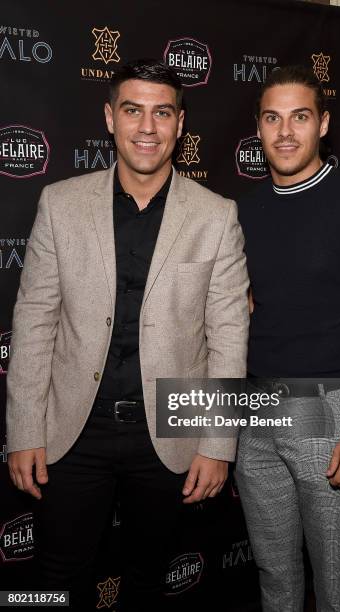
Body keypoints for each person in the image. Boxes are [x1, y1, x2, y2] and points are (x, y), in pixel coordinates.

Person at [6, 58, 249, 611]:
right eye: (133, 110)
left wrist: (218, 443)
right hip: (73, 430)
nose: (147, 127)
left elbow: (229, 336)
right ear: (109, 117)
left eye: (162, 112)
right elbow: (34, 320)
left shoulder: (216, 216)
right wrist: (23, 428)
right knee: (54, 579)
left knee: (149, 578)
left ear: (180, 125)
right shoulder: (60, 204)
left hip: (168, 433)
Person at [235, 65, 340, 611]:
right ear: (259, 129)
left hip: (329, 410)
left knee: (335, 588)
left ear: (324, 124)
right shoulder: (244, 210)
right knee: (275, 576)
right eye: (272, 118)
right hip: (255, 406)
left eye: (300, 117)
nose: (285, 132)